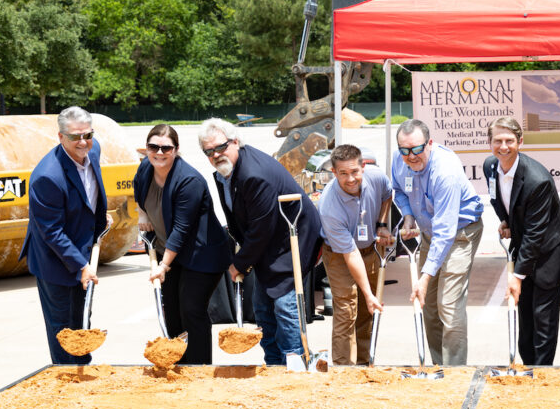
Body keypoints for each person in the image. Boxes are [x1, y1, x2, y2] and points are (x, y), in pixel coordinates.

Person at [198, 118, 327, 365]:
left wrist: (240, 264)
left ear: (235, 141)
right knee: (263, 307)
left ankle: (295, 361)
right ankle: (274, 363)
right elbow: (237, 217)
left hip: (292, 241)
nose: (216, 155)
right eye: (209, 151)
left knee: (283, 305)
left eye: (221, 147)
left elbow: (261, 229)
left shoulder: (254, 175)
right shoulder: (225, 172)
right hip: (270, 242)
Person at [483, 117, 560, 366]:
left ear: (520, 142)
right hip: (526, 246)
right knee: (524, 317)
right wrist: (506, 221)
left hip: (549, 253)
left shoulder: (538, 181)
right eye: (497, 141)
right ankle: (528, 369)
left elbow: (536, 233)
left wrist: (517, 276)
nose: (503, 147)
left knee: (542, 321)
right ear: (489, 143)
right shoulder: (490, 167)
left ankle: (542, 374)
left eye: (509, 141)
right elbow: (499, 199)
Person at [134, 124, 232, 364]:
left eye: (165, 148)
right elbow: (138, 191)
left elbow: (182, 229)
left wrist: (163, 266)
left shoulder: (189, 181)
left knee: (191, 309)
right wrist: (143, 214)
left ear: (176, 149)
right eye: (153, 147)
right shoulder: (146, 167)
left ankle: (199, 368)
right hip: (169, 251)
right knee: (173, 313)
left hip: (202, 254)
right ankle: (178, 363)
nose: (159, 152)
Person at [22, 107, 110, 365]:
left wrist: (99, 217)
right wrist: (82, 266)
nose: (83, 142)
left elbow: (88, 194)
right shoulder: (47, 177)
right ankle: (65, 377)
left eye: (87, 134)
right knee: (62, 326)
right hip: (54, 260)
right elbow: (52, 231)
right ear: (60, 137)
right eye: (75, 137)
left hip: (81, 248)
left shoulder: (93, 150)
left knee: (82, 317)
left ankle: (82, 368)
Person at [391, 119, 484, 366]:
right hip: (431, 234)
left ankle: (454, 372)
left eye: (417, 149)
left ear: (429, 143)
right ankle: (437, 366)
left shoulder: (446, 171)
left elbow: (446, 231)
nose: (410, 156)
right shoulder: (398, 160)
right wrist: (408, 215)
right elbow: (399, 190)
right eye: (404, 150)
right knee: (429, 306)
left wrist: (424, 276)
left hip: (460, 234)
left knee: (448, 306)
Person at [317, 144, 387, 365]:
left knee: (368, 312)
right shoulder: (329, 206)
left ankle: (364, 364)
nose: (350, 179)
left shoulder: (376, 176)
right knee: (347, 309)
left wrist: (382, 224)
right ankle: (343, 367)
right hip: (340, 255)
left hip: (371, 250)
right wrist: (367, 292)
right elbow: (350, 255)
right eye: (343, 173)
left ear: (363, 167)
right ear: (334, 173)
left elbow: (388, 195)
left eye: (354, 172)